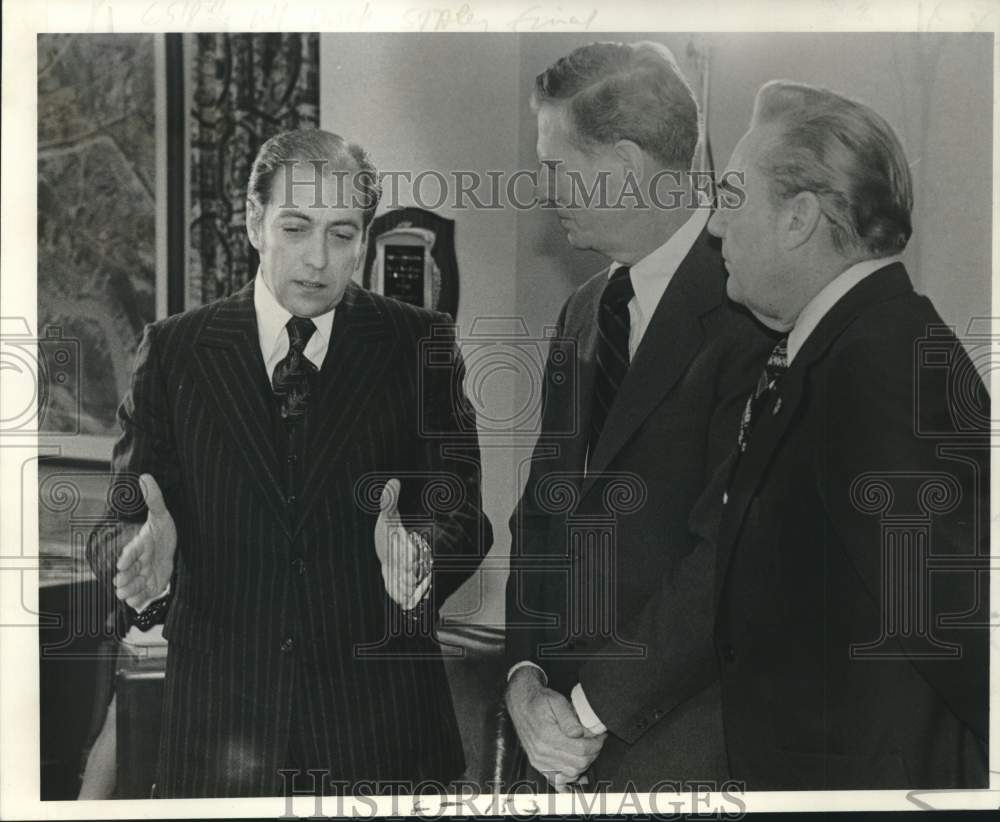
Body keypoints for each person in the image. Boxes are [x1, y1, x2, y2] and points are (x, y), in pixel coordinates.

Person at [87, 128, 492, 797]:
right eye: (296, 227)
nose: (318, 258)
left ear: (365, 236)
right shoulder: (174, 351)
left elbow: (463, 514)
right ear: (254, 221)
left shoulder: (421, 343)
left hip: (381, 736)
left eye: (343, 234)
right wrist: (142, 563)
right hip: (221, 739)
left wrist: (421, 556)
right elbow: (120, 524)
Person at [695, 80, 988, 788]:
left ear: (798, 218)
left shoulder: (879, 362)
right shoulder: (845, 349)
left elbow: (959, 633)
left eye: (732, 197)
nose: (712, 225)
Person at [503, 41, 774, 792]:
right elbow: (541, 512)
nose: (543, 189)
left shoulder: (752, 311)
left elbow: (726, 559)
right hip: (553, 747)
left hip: (681, 753)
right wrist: (525, 678)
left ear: (622, 169)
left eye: (554, 166)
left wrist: (588, 712)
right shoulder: (582, 311)